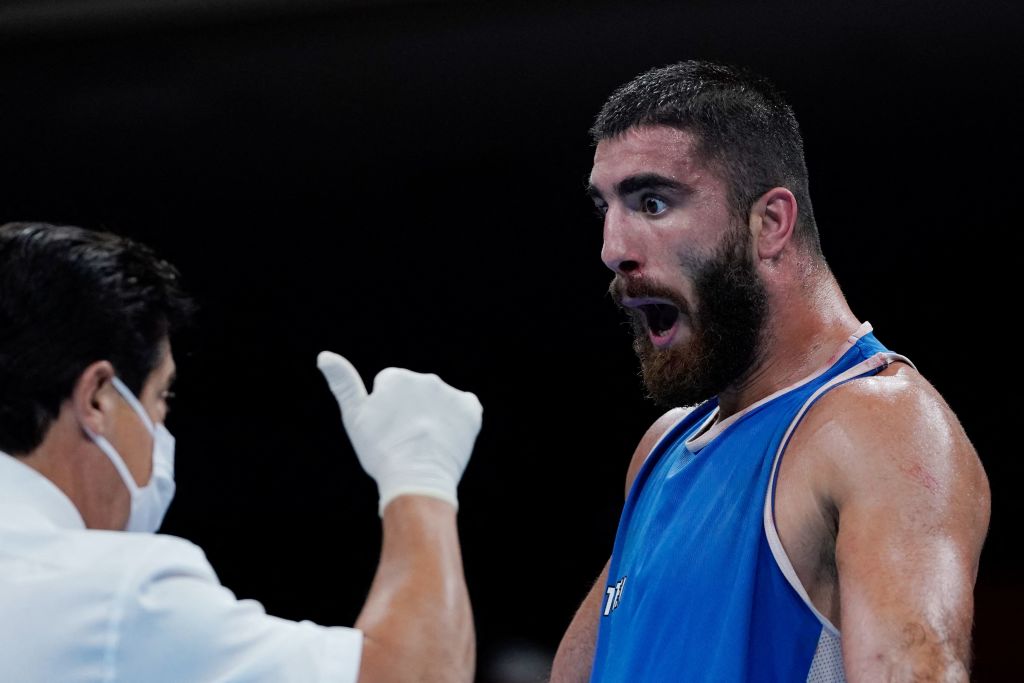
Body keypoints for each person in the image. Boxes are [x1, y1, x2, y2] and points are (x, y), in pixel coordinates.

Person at [550, 61, 990, 682]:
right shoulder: (663, 450)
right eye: (606, 207)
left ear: (771, 223)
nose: (612, 248)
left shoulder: (879, 427)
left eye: (652, 202)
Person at [0, 221, 482, 682]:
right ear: (98, 399)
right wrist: (422, 477)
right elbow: (415, 675)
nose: (160, 428)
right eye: (161, 397)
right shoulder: (116, 596)